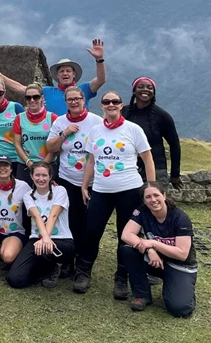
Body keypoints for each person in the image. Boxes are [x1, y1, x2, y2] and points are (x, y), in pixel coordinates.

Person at [74, 91, 155, 297]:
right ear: (101, 106)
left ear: (121, 105)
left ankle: (122, 278)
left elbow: (147, 159)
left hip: (130, 189)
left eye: (115, 101)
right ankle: (83, 272)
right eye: (107, 101)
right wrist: (85, 185)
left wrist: (151, 187)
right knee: (92, 231)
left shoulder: (133, 129)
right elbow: (91, 161)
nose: (111, 104)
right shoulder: (95, 131)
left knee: (125, 235)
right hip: (101, 189)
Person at [47, 86, 103, 273]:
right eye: (70, 99)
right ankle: (69, 259)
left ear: (83, 99)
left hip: (94, 182)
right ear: (66, 102)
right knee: (70, 220)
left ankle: (84, 261)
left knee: (89, 222)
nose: (74, 102)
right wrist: (64, 134)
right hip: (68, 179)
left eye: (77, 98)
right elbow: (51, 147)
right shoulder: (60, 122)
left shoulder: (96, 121)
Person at [120, 182, 197, 317]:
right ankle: (142, 295)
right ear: (144, 200)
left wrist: (154, 244)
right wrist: (149, 249)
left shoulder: (180, 217)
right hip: (156, 260)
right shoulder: (142, 212)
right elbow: (126, 235)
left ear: (164, 195)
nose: (153, 200)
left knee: (180, 309)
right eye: (148, 197)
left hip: (180, 265)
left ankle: (181, 289)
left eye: (156, 195)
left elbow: (182, 254)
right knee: (127, 250)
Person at [0, 38, 106, 115]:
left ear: (74, 74)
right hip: (53, 137)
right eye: (62, 71)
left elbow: (101, 80)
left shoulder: (83, 90)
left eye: (68, 70)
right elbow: (20, 88)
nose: (65, 73)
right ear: (57, 75)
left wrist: (99, 60)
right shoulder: (46, 91)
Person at [7, 162, 75, 289]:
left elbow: (53, 216)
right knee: (15, 279)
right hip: (37, 240)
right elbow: (37, 217)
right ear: (32, 176)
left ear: (50, 177)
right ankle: (43, 270)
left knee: (46, 249)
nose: (41, 179)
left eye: (44, 175)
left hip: (62, 241)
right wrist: (43, 239)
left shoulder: (60, 191)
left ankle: (54, 266)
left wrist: (45, 239)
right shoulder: (28, 196)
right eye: (37, 175)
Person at [122, 77, 182, 189]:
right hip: (128, 168)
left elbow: (174, 145)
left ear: (154, 93)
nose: (145, 89)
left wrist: (175, 174)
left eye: (149, 88)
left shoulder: (162, 116)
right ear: (134, 91)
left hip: (156, 169)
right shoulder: (123, 113)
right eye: (140, 87)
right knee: (130, 205)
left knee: (154, 204)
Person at [12, 83, 57, 182]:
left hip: (48, 165)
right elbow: (17, 144)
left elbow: (56, 146)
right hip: (25, 165)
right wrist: (29, 163)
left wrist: (43, 165)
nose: (32, 100)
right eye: (28, 98)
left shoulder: (52, 118)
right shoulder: (19, 118)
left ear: (42, 98)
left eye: (35, 97)